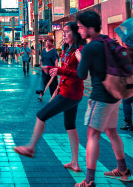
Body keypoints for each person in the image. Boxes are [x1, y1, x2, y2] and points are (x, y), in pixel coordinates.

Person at [75, 10, 133, 187]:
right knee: (112, 132)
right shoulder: (109, 41)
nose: (79, 31)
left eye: (81, 28)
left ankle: (89, 182)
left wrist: (80, 59)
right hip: (115, 95)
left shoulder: (91, 47)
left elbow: (81, 75)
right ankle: (123, 171)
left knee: (92, 136)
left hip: (100, 97)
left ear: (91, 28)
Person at [14, 22, 85, 172]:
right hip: (69, 91)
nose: (64, 35)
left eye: (67, 32)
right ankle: (75, 163)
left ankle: (31, 147)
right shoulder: (67, 49)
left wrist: (60, 72)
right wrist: (54, 70)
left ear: (75, 33)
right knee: (70, 126)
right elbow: (65, 69)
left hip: (71, 93)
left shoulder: (79, 50)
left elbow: (81, 74)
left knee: (41, 115)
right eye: (63, 32)